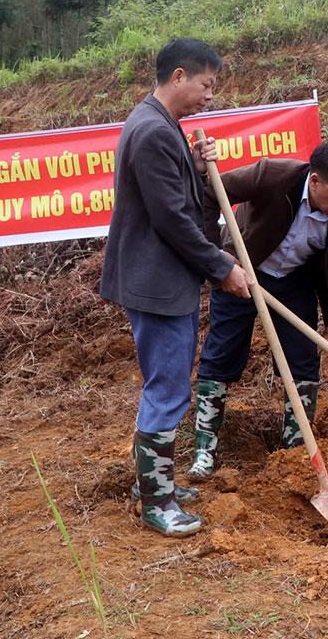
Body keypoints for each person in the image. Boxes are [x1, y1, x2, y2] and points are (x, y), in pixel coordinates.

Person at [100, 38, 252, 538]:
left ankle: (154, 483)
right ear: (180, 76)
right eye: (207, 85)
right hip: (157, 281)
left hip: (163, 278)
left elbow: (174, 196)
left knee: (167, 384)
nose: (210, 95)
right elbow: (172, 220)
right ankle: (156, 501)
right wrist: (221, 266)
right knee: (167, 387)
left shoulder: (161, 127)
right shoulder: (152, 133)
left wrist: (194, 156)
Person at [188, 142, 328, 462]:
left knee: (303, 359)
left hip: (294, 279)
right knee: (222, 354)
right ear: (315, 181)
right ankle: (205, 448)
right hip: (243, 270)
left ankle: (296, 450)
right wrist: (217, 261)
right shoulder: (272, 175)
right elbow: (209, 191)